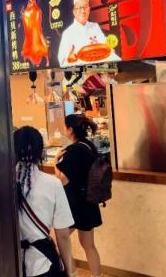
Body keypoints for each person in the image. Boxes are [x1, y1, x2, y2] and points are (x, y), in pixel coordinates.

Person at [15, 126, 74, 277]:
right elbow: (63, 235)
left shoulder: (3, 184)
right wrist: (69, 271)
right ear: (41, 152)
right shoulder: (52, 184)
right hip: (42, 264)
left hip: (10, 263)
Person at [55, 114, 102, 277]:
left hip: (75, 204)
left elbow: (62, 181)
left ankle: (71, 273)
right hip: (89, 202)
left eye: (65, 127)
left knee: (59, 239)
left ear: (70, 129)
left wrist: (56, 162)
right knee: (89, 245)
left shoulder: (74, 150)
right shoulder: (89, 146)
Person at [57, 0, 121, 67]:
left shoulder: (95, 26)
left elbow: (106, 48)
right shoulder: (67, 33)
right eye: (79, 7)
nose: (83, 11)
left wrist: (110, 50)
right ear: (74, 11)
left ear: (89, 9)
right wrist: (69, 59)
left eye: (85, 6)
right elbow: (62, 62)